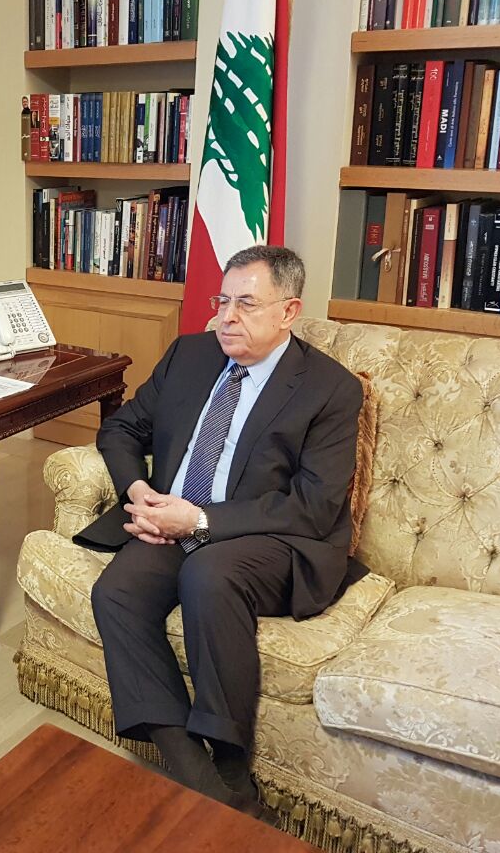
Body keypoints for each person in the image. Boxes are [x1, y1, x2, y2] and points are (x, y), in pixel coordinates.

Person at [81, 245, 362, 819]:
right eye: (222, 301)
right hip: (175, 518)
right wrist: (139, 491)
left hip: (272, 537)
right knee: (116, 592)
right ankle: (198, 776)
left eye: (246, 305)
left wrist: (201, 521)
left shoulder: (330, 389)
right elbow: (121, 430)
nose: (227, 318)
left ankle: (231, 760)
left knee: (209, 573)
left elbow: (314, 505)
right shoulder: (189, 355)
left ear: (288, 312)